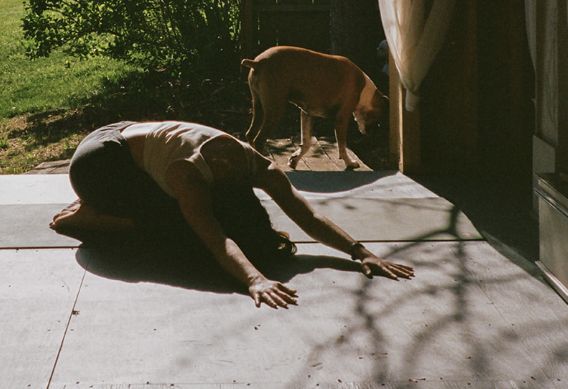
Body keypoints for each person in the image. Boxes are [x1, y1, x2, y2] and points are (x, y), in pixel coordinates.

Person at [50, 120, 414, 309]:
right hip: (98, 164)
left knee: (184, 211)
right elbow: (216, 239)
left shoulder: (258, 165)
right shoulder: (188, 175)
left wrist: (360, 252)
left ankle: (104, 208)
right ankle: (89, 216)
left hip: (128, 130)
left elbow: (306, 216)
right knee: (178, 224)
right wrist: (255, 279)